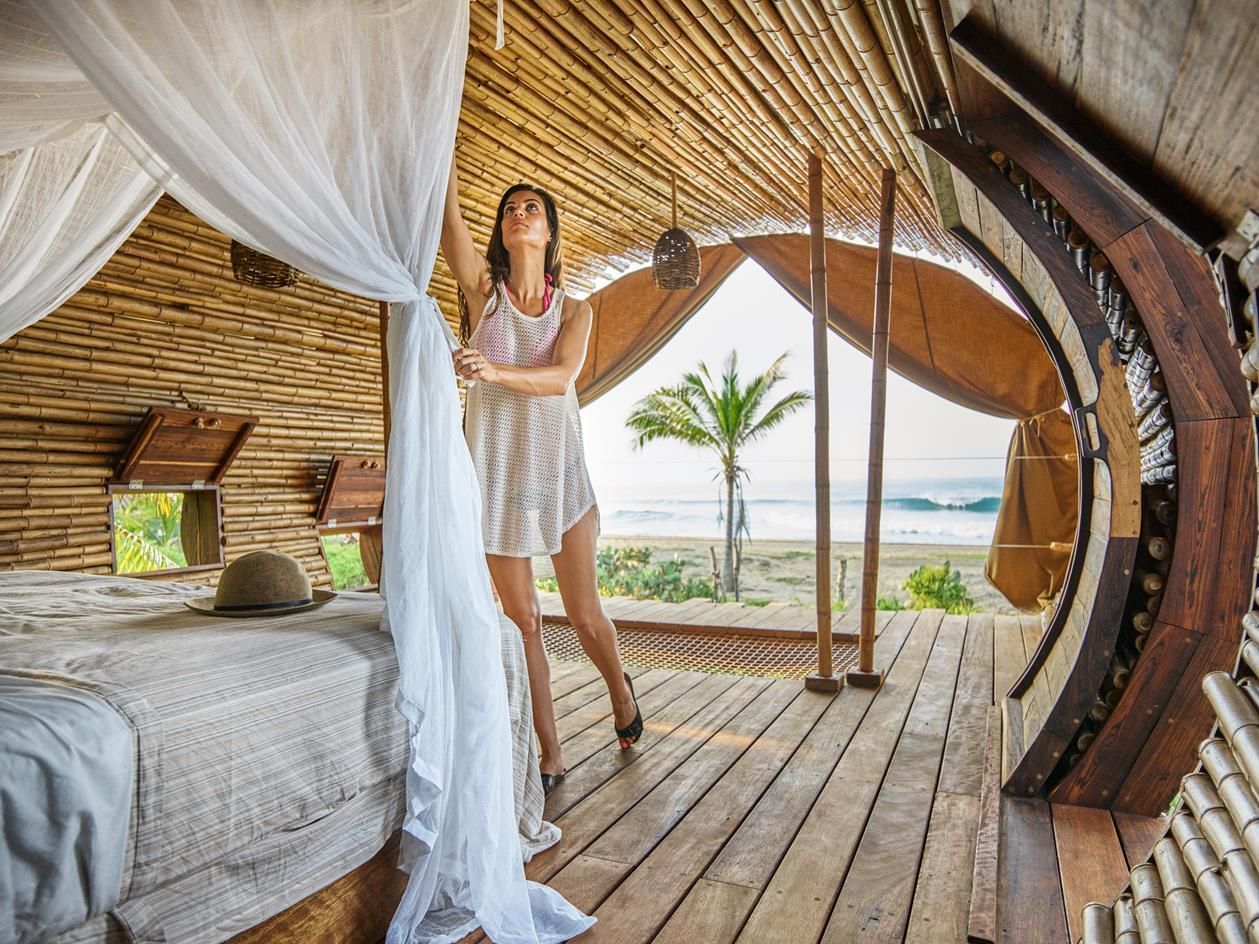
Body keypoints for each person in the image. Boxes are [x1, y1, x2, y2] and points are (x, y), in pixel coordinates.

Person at [440, 156, 642, 796]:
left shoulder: (574, 312)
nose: (518, 214)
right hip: (497, 481)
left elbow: (559, 380)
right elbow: (448, 223)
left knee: (585, 616)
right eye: (509, 209)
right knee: (524, 621)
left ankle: (621, 692)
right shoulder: (484, 295)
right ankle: (549, 754)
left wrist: (493, 373)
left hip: (558, 481)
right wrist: (441, 140)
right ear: (502, 233)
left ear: (549, 231)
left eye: (531, 208)